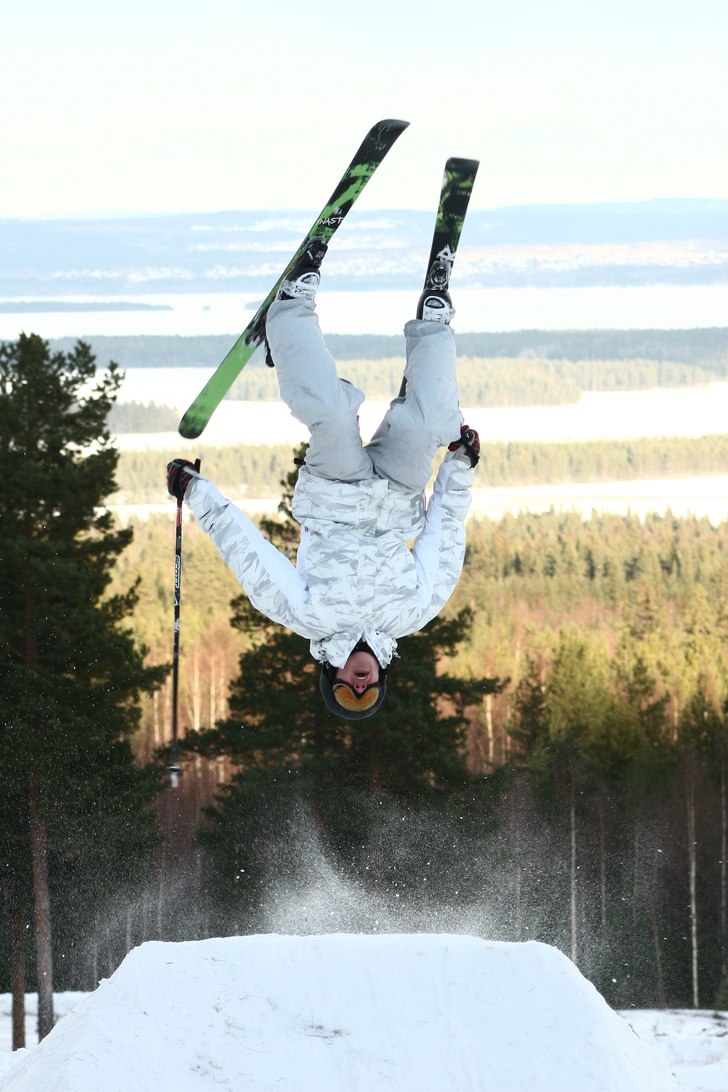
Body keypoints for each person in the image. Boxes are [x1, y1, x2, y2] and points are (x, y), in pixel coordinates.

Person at [167, 243, 479, 720]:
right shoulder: (414, 612)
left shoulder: (306, 616)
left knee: (332, 415)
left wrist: (197, 493)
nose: (359, 685)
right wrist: (459, 466)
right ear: (380, 679)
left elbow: (251, 555)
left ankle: (291, 310)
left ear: (330, 677)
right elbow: (446, 532)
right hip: (398, 495)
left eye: (347, 692)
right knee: (433, 425)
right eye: (369, 693)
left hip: (335, 494)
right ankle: (435, 324)